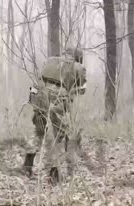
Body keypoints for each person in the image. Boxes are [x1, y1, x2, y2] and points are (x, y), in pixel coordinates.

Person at [23, 47, 87, 183]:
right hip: (59, 97)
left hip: (40, 93)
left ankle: (27, 165)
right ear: (77, 57)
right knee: (60, 135)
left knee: (38, 130)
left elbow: (38, 80)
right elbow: (82, 90)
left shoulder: (50, 61)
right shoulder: (78, 67)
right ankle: (54, 173)